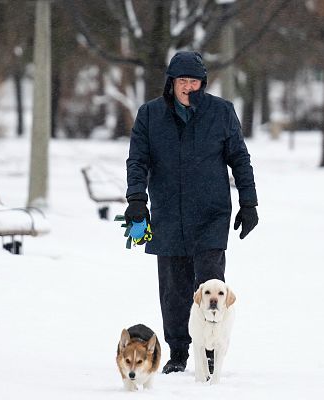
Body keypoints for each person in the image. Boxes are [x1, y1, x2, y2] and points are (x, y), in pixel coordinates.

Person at [125, 51, 258, 374]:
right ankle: (180, 351)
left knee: (211, 286)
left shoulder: (221, 112)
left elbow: (239, 158)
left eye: (194, 81)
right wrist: (136, 200)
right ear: (171, 83)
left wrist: (249, 202)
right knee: (173, 289)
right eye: (182, 81)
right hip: (169, 212)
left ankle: (211, 349)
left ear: (203, 84)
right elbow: (138, 160)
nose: (188, 87)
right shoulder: (150, 115)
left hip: (211, 213)